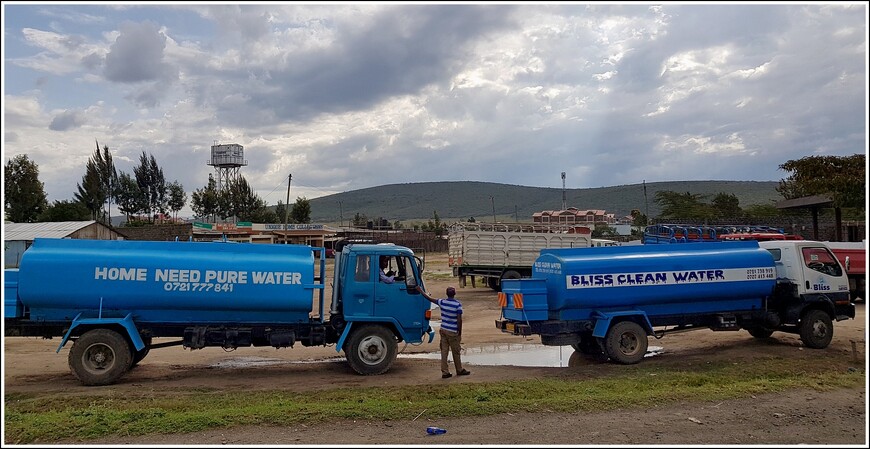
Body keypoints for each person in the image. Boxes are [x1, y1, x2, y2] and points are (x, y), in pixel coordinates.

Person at [416, 285, 471, 378]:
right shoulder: (457, 305)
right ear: (454, 294)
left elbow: (429, 298)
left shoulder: (442, 302)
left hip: (443, 329)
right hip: (453, 331)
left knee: (444, 352)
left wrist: (420, 291)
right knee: (456, 352)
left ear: (446, 294)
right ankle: (459, 369)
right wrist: (459, 332)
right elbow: (459, 320)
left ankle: (445, 372)